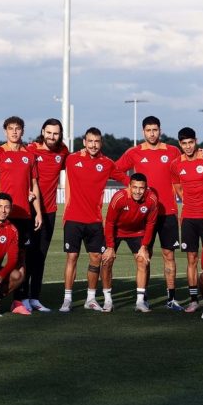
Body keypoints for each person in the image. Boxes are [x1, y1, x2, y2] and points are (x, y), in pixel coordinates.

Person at [116, 116, 183, 310]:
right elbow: (116, 169)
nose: (152, 133)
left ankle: (171, 299)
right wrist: (130, 186)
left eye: (155, 130)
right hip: (144, 213)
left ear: (160, 130)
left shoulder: (172, 151)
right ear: (143, 132)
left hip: (168, 211)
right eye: (148, 130)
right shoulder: (134, 152)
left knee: (169, 255)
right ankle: (142, 297)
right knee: (145, 254)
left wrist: (202, 153)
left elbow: (186, 165)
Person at [59, 127, 129, 312]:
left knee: (96, 258)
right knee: (72, 257)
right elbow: (51, 153)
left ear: (101, 143)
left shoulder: (107, 163)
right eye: (90, 141)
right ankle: (67, 299)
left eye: (96, 141)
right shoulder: (72, 158)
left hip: (95, 220)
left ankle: (90, 298)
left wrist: (142, 190)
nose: (93, 145)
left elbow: (126, 180)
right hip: (73, 218)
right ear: (84, 142)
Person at [0, 116, 43, 314]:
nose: (14, 132)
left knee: (22, 259)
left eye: (18, 129)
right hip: (3, 215)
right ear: (5, 131)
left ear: (23, 131)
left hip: (24, 214)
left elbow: (34, 185)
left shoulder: (30, 155)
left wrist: (38, 212)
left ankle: (17, 301)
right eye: (11, 129)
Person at [24, 118, 70, 312]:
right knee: (26, 256)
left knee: (40, 257)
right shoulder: (30, 149)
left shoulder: (63, 152)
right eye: (49, 132)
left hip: (50, 212)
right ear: (43, 131)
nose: (52, 137)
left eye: (56, 133)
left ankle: (35, 298)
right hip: (29, 212)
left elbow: (74, 166)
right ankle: (22, 298)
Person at [170, 127, 203, 312]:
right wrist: (190, 202)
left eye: (191, 142)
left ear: (196, 141)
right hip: (188, 217)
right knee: (191, 259)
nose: (188, 147)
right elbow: (178, 188)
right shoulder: (175, 164)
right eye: (184, 143)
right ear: (180, 144)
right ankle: (193, 300)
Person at [101, 173, 159, 312]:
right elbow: (109, 222)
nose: (138, 191)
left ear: (146, 188)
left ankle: (140, 301)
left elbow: (151, 224)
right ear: (129, 187)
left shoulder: (152, 199)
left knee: (142, 260)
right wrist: (110, 246)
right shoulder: (119, 198)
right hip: (117, 231)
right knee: (107, 261)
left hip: (137, 232)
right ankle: (108, 300)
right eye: (135, 187)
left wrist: (144, 247)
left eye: (141, 188)